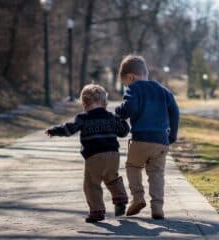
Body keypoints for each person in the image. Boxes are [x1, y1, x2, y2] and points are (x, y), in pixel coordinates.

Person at [45, 84, 129, 223]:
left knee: (92, 184)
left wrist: (54, 131)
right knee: (112, 178)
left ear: (84, 103)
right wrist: (121, 120)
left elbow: (69, 129)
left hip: (94, 156)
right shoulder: (111, 117)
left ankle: (97, 211)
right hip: (113, 155)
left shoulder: (83, 118)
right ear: (105, 103)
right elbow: (124, 132)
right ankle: (120, 200)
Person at [115, 55, 179, 220]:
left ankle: (138, 197)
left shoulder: (133, 89)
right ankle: (157, 207)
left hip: (141, 139)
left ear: (131, 77)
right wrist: (172, 135)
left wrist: (119, 111)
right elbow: (175, 111)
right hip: (161, 141)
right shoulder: (163, 90)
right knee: (157, 173)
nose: (126, 87)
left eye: (125, 84)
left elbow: (129, 107)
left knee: (133, 166)